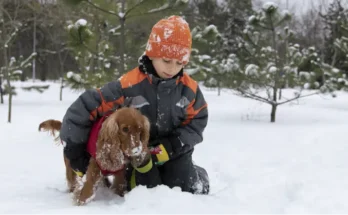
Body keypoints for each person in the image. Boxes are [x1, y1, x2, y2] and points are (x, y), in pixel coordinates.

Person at [60, 15, 209, 195]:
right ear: (152, 54)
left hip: (175, 150)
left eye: (179, 63)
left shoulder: (189, 89)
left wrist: (175, 144)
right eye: (166, 60)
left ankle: (197, 174)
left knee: (186, 188)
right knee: (144, 191)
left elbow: (198, 121)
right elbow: (84, 107)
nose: (172, 69)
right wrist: (74, 148)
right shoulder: (128, 86)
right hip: (137, 152)